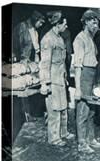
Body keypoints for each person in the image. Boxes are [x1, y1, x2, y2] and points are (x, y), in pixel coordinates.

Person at [39, 12, 75, 146]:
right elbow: (45, 64)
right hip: (52, 79)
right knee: (54, 110)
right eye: (64, 24)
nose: (66, 26)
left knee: (63, 107)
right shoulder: (48, 39)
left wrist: (65, 76)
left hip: (60, 78)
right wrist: (44, 83)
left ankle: (63, 132)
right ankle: (54, 137)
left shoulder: (59, 38)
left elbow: (63, 60)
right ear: (57, 24)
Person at [73, 10, 100, 153]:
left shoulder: (91, 37)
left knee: (91, 110)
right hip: (84, 74)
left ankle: (90, 138)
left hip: (92, 74)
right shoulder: (80, 39)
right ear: (85, 22)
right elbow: (77, 66)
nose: (95, 24)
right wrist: (78, 88)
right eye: (92, 21)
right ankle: (81, 143)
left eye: (96, 21)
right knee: (83, 110)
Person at [12, 10, 46, 122]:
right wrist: (18, 59)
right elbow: (16, 44)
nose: (41, 25)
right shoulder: (22, 27)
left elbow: (35, 49)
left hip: (31, 63)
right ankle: (25, 114)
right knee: (22, 87)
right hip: (21, 62)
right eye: (40, 22)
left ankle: (30, 113)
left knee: (32, 84)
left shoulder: (35, 31)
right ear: (36, 20)